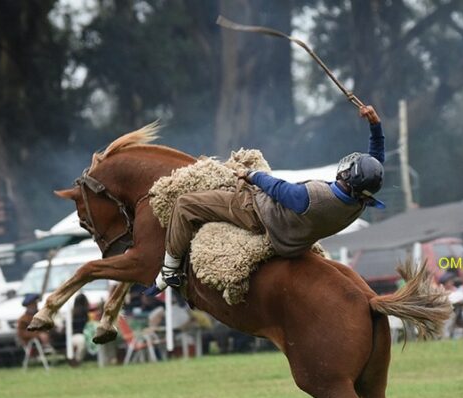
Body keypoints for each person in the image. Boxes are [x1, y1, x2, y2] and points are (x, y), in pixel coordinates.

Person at [155, 105, 386, 290]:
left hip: (258, 213)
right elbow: (375, 163)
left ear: (349, 175)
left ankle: (170, 270)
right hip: (293, 238)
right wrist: (375, 125)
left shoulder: (311, 197)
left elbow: (277, 188)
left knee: (185, 204)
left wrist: (251, 174)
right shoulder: (361, 199)